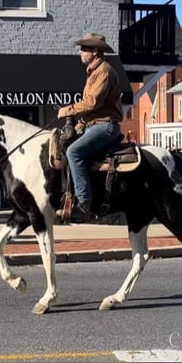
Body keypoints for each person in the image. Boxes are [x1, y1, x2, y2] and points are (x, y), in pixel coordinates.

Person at [56, 32, 123, 223]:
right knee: (61, 141)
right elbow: (90, 112)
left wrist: (67, 110)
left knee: (74, 152)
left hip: (105, 126)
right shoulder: (94, 72)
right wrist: (76, 125)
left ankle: (83, 204)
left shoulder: (104, 71)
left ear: (94, 52)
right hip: (92, 124)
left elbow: (93, 103)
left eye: (84, 49)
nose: (80, 53)